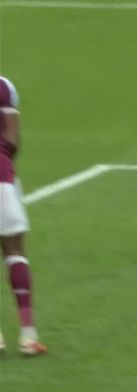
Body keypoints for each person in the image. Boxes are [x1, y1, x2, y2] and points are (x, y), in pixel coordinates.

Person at [0, 75, 47, 356]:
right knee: (14, 251)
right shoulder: (4, 87)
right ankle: (28, 336)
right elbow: (12, 140)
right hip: (2, 176)